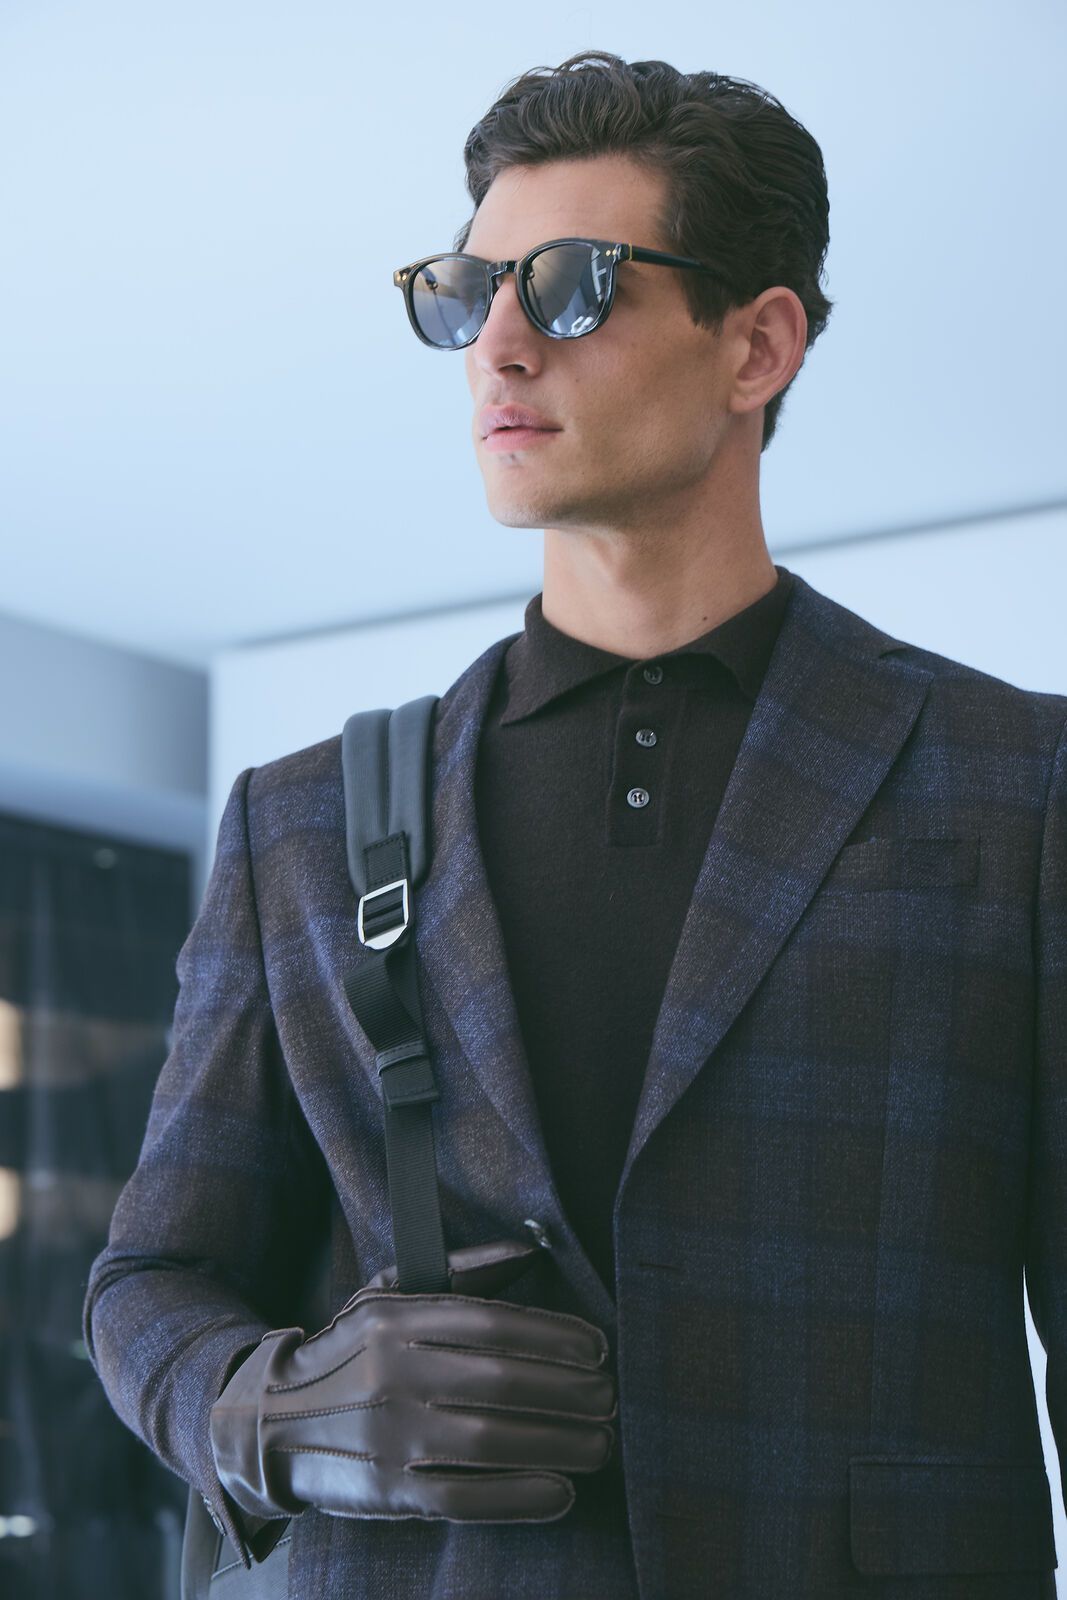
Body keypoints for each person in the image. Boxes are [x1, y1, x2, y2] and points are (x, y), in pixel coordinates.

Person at [83, 49, 1066, 1599]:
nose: (501, 342)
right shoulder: (304, 823)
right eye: (468, 291)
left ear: (759, 345)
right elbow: (151, 1280)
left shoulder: (1020, 784)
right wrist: (273, 1410)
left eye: (578, 284)